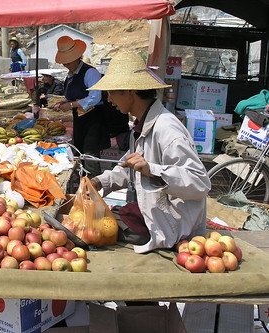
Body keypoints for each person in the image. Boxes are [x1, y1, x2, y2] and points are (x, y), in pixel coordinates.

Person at [88, 52, 211, 253]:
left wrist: (152, 170)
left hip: (171, 223)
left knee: (95, 228)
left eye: (112, 92)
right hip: (149, 212)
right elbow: (129, 167)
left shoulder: (167, 129)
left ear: (130, 91)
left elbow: (200, 183)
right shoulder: (140, 125)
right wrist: (101, 181)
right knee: (96, 219)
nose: (109, 100)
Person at [53, 36, 129, 176]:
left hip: (94, 120)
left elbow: (95, 97)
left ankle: (93, 185)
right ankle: (84, 183)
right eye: (64, 62)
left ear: (77, 58)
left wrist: (72, 105)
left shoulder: (90, 72)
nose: (66, 65)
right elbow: (71, 95)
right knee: (81, 152)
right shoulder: (70, 75)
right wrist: (64, 102)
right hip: (80, 119)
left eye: (68, 62)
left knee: (90, 155)